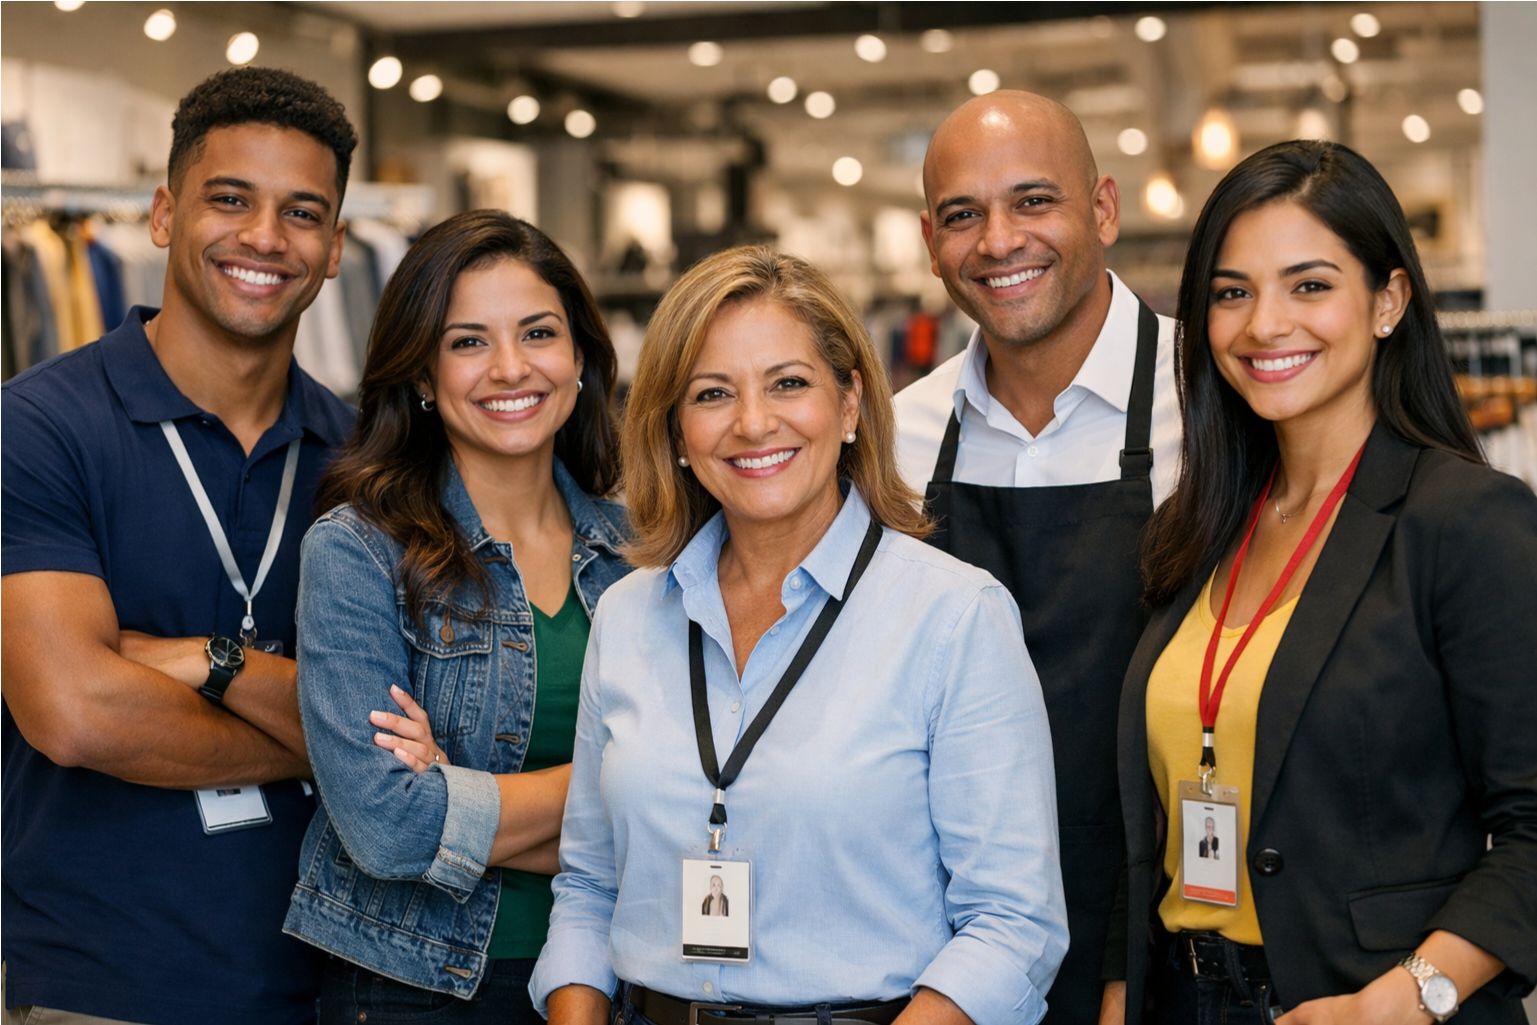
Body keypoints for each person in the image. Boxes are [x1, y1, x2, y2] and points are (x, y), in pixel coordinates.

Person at [533, 245, 1067, 1025]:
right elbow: (587, 884)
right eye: (712, 393)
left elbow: (1012, 924)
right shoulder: (627, 614)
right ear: (675, 429)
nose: (754, 422)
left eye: (788, 383)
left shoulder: (952, 616)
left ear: (849, 402)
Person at [1117, 140, 1537, 1025]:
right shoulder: (1189, 530)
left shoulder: (1467, 522)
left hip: (1361, 1003)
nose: (1265, 323)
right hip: (1183, 997)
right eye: (1231, 292)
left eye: (1308, 285)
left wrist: (1405, 998)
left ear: (1387, 301)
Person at [0, 68, 357, 1025]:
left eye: (302, 213)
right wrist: (329, 744)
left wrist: (212, 660)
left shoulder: (366, 457)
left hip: (337, 986)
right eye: (229, 199)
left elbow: (407, 723)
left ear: (333, 252)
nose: (264, 238)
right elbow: (75, 711)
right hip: (104, 984)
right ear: (163, 214)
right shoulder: (36, 428)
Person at [281, 210, 631, 1024]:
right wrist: (627, 789)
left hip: (619, 973)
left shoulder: (642, 553)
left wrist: (462, 794)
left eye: (538, 333)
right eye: (468, 341)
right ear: (422, 377)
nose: (510, 368)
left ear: (579, 357)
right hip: (416, 989)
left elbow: (719, 806)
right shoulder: (357, 553)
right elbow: (388, 827)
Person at [893, 90, 1182, 1025]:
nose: (997, 240)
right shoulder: (897, 441)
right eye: (961, 215)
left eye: (1032, 201)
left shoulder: (1217, 412)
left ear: (1102, 208)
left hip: (1164, 930)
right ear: (928, 238)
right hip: (942, 949)